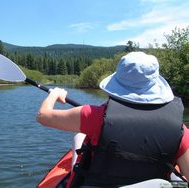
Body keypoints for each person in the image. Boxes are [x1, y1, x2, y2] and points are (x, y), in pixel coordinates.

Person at [36, 52, 189, 187]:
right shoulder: (179, 130)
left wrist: (54, 94)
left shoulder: (94, 116)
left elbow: (43, 116)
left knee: (79, 136)